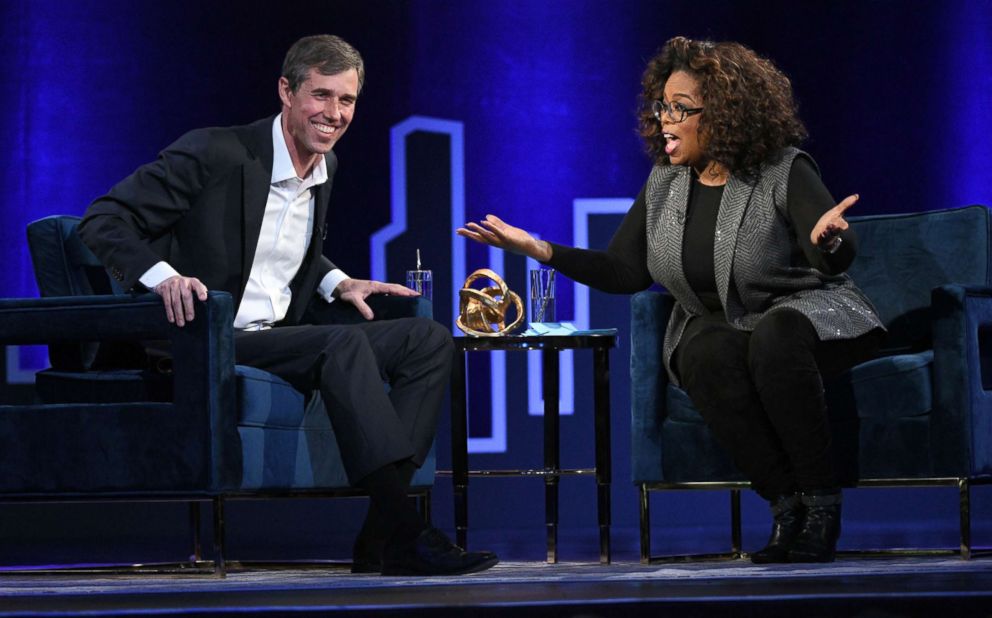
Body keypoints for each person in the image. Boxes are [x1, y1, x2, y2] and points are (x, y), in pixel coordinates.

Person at [79, 34, 497, 576]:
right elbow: (102, 220)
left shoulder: (326, 168)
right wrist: (164, 278)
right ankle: (405, 527)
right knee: (343, 343)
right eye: (321, 96)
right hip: (208, 336)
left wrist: (337, 282)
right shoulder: (216, 152)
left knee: (428, 339)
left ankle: (382, 533)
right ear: (286, 91)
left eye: (346, 100)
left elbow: (278, 248)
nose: (334, 114)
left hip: (274, 335)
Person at [458, 36, 885, 564]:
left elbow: (832, 256)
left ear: (725, 114)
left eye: (680, 109)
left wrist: (831, 241)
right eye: (662, 105)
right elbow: (625, 270)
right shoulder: (665, 181)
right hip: (727, 328)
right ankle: (785, 505)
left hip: (809, 320)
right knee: (701, 350)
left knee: (773, 336)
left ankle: (821, 505)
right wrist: (539, 249)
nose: (664, 119)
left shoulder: (782, 169)